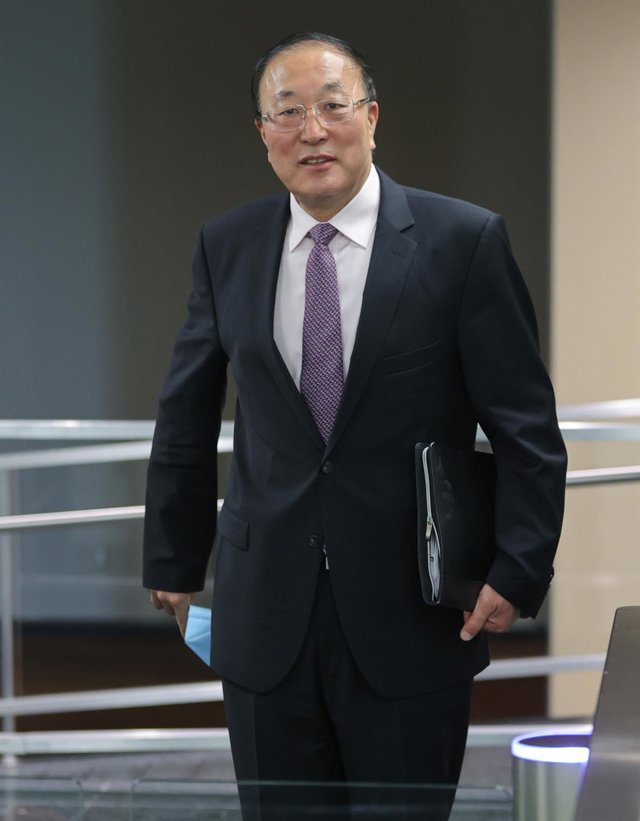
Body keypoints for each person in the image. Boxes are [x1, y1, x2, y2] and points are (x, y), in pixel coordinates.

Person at [143, 32, 567, 819]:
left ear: (372, 117)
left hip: (413, 615)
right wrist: (171, 556)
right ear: (264, 134)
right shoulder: (226, 244)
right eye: (288, 112)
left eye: (333, 107)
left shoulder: (462, 241)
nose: (313, 130)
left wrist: (518, 568)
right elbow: (186, 412)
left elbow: (526, 427)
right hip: (265, 610)